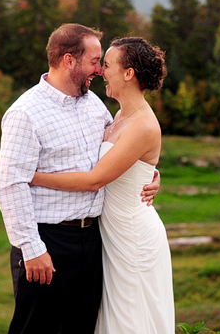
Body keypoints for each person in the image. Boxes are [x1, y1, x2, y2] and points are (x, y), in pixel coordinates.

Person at [0, 24, 160, 334]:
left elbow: (120, 152)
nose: (99, 71)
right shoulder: (26, 113)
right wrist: (32, 249)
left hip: (93, 241)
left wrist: (150, 173)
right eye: (95, 61)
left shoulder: (94, 106)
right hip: (48, 242)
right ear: (69, 60)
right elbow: (11, 186)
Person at [31, 36, 175, 334]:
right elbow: (121, 165)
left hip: (132, 237)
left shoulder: (143, 125)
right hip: (109, 236)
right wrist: (151, 174)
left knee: (130, 321)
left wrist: (32, 176)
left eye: (106, 65)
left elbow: (95, 179)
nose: (99, 71)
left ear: (128, 73)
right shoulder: (118, 115)